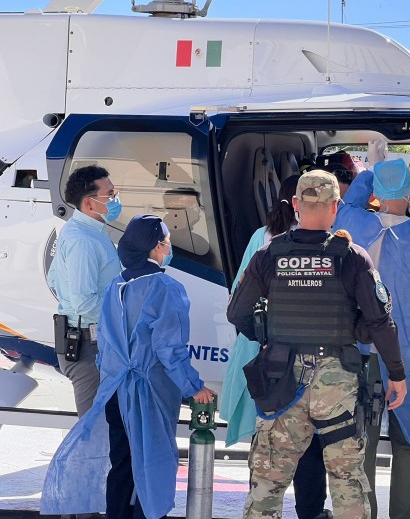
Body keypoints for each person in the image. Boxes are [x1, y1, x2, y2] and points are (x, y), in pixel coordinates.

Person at [227, 170, 408, 519]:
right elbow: (379, 322)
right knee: (346, 479)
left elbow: (237, 313)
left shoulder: (269, 254)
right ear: (335, 206)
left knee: (268, 482)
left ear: (296, 204)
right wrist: (397, 374)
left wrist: (268, 337)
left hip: (282, 379)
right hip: (337, 383)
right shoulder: (352, 257)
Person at [41, 215, 215, 519]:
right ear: (156, 247)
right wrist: (194, 387)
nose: (169, 247)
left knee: (122, 464)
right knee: (153, 465)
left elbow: (105, 344)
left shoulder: (115, 286)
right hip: (149, 395)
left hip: (114, 391)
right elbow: (169, 350)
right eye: (167, 242)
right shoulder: (165, 288)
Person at [334, 158, 410, 519]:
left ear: (377, 193)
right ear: (409, 192)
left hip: (363, 349)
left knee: (362, 439)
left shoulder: (354, 223)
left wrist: (371, 171)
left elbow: (347, 204)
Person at [222, 174, 334, 519]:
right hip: (309, 358)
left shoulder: (263, 238)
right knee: (309, 442)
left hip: (266, 355)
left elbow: (237, 299)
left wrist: (261, 337)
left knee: (268, 440)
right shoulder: (328, 244)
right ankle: (311, 512)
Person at [46, 165, 122, 416]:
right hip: (89, 345)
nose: (116, 199)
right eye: (110, 195)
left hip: (92, 341)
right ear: (89, 203)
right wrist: (123, 312)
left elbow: (54, 279)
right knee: (94, 428)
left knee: (104, 426)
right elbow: (84, 303)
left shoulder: (83, 231)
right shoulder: (84, 240)